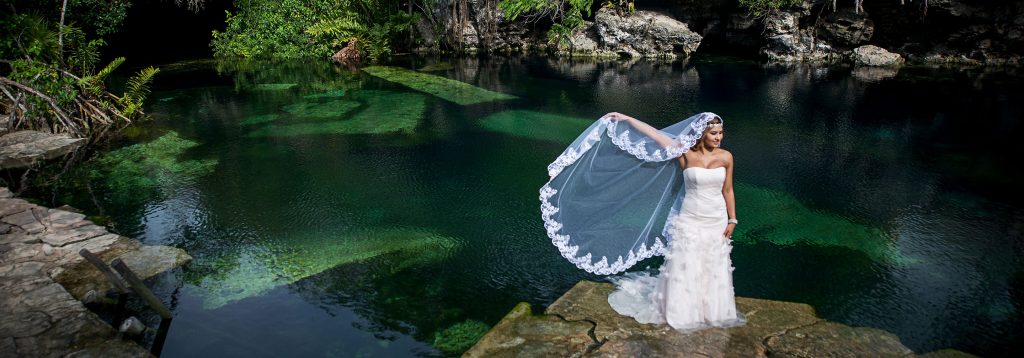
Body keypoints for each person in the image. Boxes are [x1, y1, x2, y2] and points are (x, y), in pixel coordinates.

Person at [539, 111, 744, 331]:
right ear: (703, 134)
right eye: (714, 133)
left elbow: (728, 189)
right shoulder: (684, 153)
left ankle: (712, 309)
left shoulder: (726, 157)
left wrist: (732, 219)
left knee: (713, 260)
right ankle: (682, 310)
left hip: (716, 215)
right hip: (690, 215)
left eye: (720, 133)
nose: (718, 137)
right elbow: (655, 135)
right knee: (685, 260)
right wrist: (626, 119)